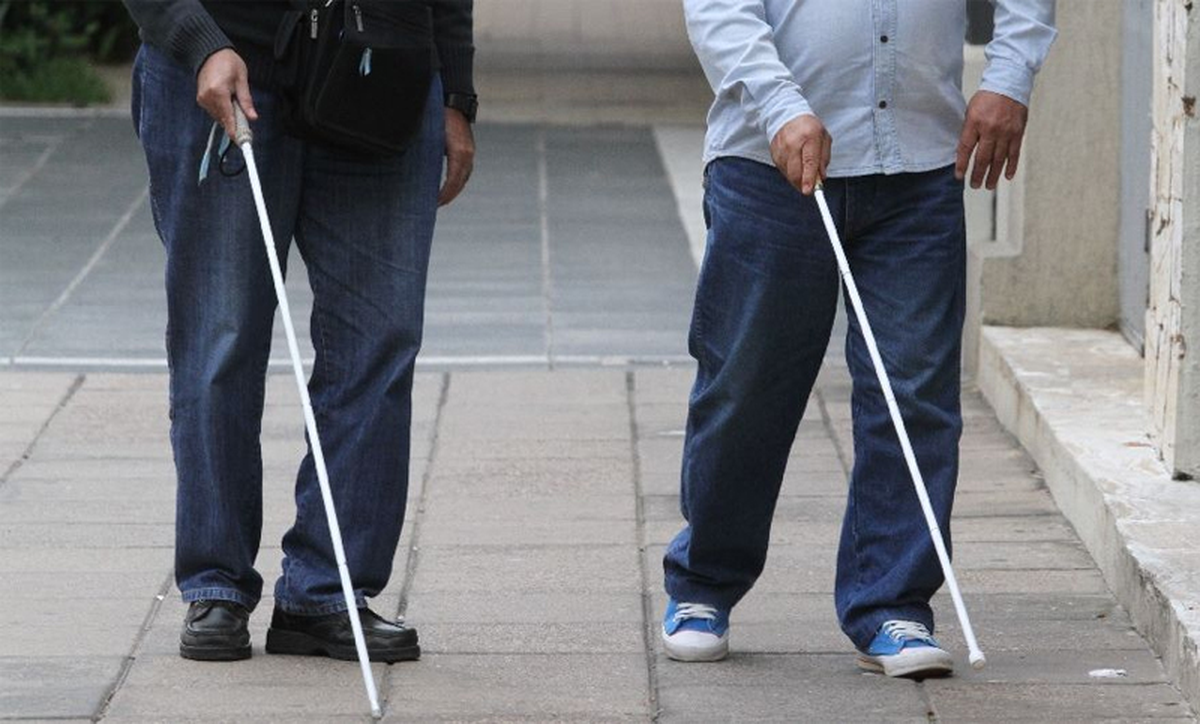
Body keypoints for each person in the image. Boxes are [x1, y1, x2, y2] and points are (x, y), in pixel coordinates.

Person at [662, 0, 1056, 677]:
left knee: (916, 394)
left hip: (920, 162)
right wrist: (780, 105)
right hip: (769, 161)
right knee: (746, 388)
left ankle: (892, 603)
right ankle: (704, 582)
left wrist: (1009, 77)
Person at [122, 0, 477, 662]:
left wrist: (456, 89)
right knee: (219, 336)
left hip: (383, 65)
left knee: (381, 339)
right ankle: (217, 586)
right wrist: (196, 40)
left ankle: (326, 592)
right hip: (224, 62)